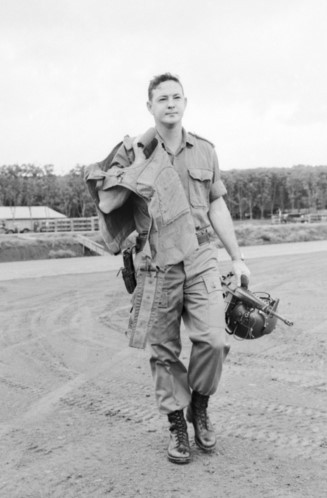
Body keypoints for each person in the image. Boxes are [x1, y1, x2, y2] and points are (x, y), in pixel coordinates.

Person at [85, 73, 250, 464]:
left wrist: (238, 257)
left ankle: (200, 406)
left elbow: (217, 205)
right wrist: (138, 167)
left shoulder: (205, 151)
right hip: (155, 257)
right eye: (162, 99)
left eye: (177, 97)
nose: (170, 104)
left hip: (200, 254)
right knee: (163, 349)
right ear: (150, 107)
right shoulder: (131, 152)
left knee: (215, 339)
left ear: (185, 102)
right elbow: (106, 202)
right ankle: (177, 422)